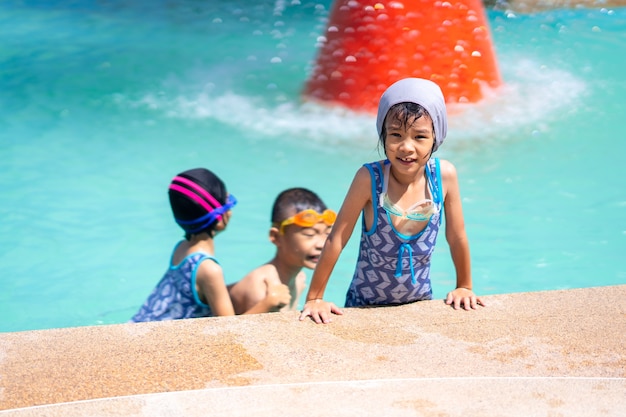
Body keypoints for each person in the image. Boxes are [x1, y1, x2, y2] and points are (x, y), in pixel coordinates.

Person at [299, 78, 485, 324]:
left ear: (435, 138)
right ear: (383, 135)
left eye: (419, 137)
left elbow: (457, 236)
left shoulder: (443, 176)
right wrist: (314, 298)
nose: (406, 147)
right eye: (396, 135)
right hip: (363, 306)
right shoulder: (370, 179)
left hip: (420, 303)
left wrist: (464, 286)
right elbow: (337, 238)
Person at [130, 168, 285, 322]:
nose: (230, 212)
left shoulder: (181, 248)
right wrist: (270, 302)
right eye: (228, 205)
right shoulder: (209, 269)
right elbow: (229, 328)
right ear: (218, 219)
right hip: (158, 342)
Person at [229, 188, 336, 315]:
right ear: (276, 237)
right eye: (309, 234)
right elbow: (235, 332)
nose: (322, 244)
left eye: (327, 233)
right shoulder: (261, 290)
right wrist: (266, 304)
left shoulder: (299, 279)